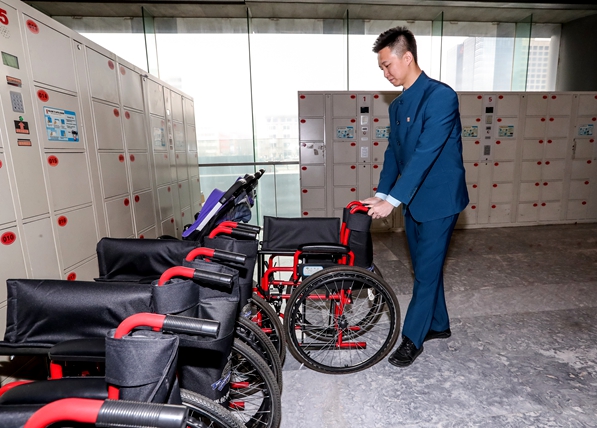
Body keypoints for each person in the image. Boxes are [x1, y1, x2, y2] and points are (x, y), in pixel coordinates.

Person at [361, 26, 469, 367]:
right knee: (426, 266)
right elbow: (395, 152)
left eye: (387, 64)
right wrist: (382, 193)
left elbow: (425, 153)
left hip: (440, 200)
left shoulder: (441, 96)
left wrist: (393, 201)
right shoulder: (397, 105)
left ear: (407, 57)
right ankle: (438, 324)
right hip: (413, 198)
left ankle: (412, 338)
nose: (385, 72)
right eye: (381, 67)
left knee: (425, 272)